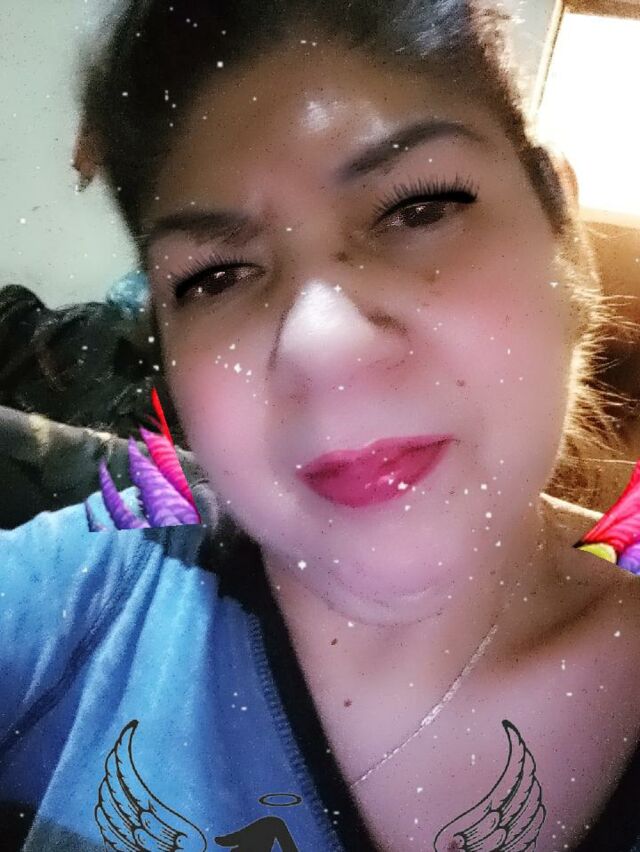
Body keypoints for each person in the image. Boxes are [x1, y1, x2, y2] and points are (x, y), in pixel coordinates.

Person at [1, 1, 639, 849]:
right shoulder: (86, 602)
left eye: (418, 209)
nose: (324, 345)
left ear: (563, 235)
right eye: (216, 276)